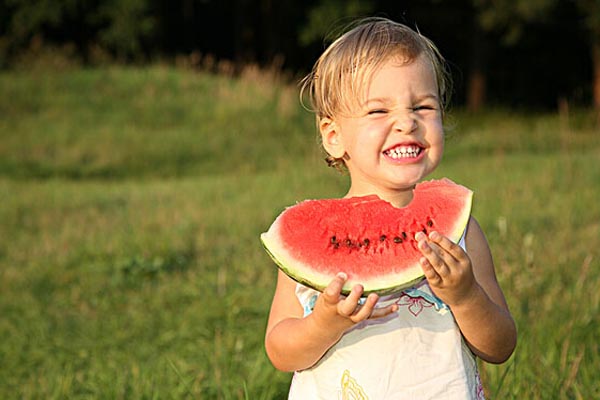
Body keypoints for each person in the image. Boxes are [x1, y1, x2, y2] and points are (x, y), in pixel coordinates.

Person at [264, 17, 516, 399]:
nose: (406, 122)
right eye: (379, 112)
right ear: (333, 136)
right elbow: (280, 349)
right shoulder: (312, 240)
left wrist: (467, 297)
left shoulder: (462, 233)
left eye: (423, 106)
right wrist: (322, 324)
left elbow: (500, 345)